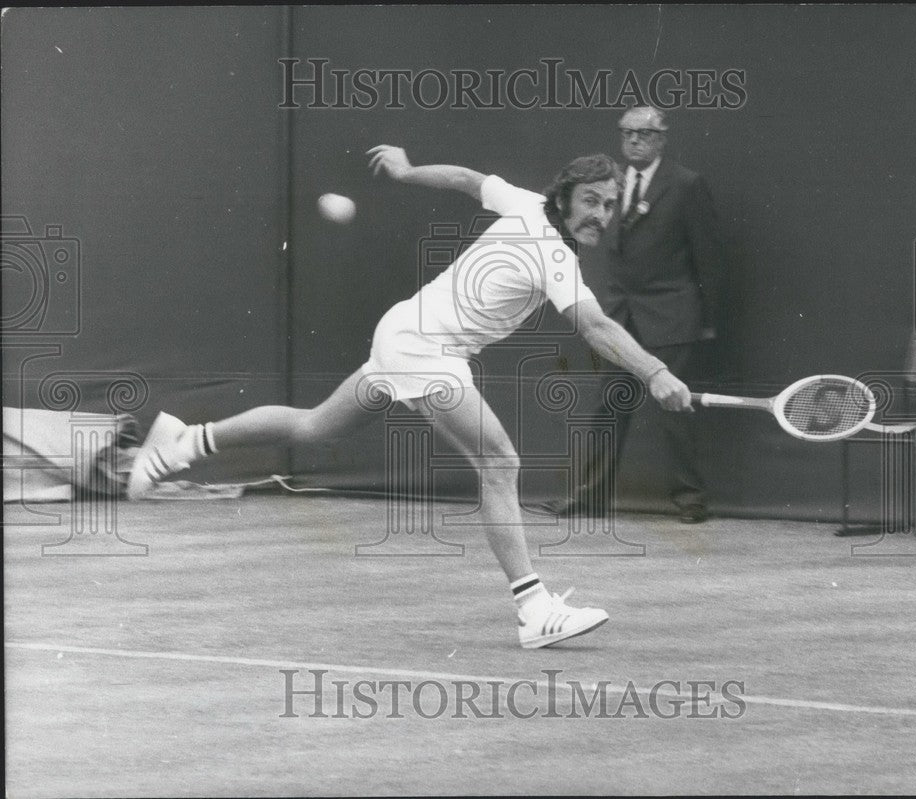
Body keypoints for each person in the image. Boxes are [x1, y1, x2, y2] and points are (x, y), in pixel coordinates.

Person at [127, 144, 693, 649]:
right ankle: (534, 609)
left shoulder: (524, 204)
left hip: (404, 332)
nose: (600, 214)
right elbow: (595, 328)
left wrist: (406, 170)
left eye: (609, 205)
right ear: (565, 197)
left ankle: (183, 442)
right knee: (499, 462)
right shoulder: (554, 255)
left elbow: (469, 178)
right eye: (591, 201)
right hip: (424, 348)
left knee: (314, 429)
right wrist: (656, 372)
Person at [553, 106, 723, 524]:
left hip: (672, 316)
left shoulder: (685, 185)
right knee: (607, 409)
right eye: (627, 133)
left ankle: (691, 501)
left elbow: (710, 257)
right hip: (620, 318)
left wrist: (706, 321)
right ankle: (589, 498)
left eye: (644, 135)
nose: (633, 141)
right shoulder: (611, 186)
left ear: (661, 140)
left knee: (676, 414)